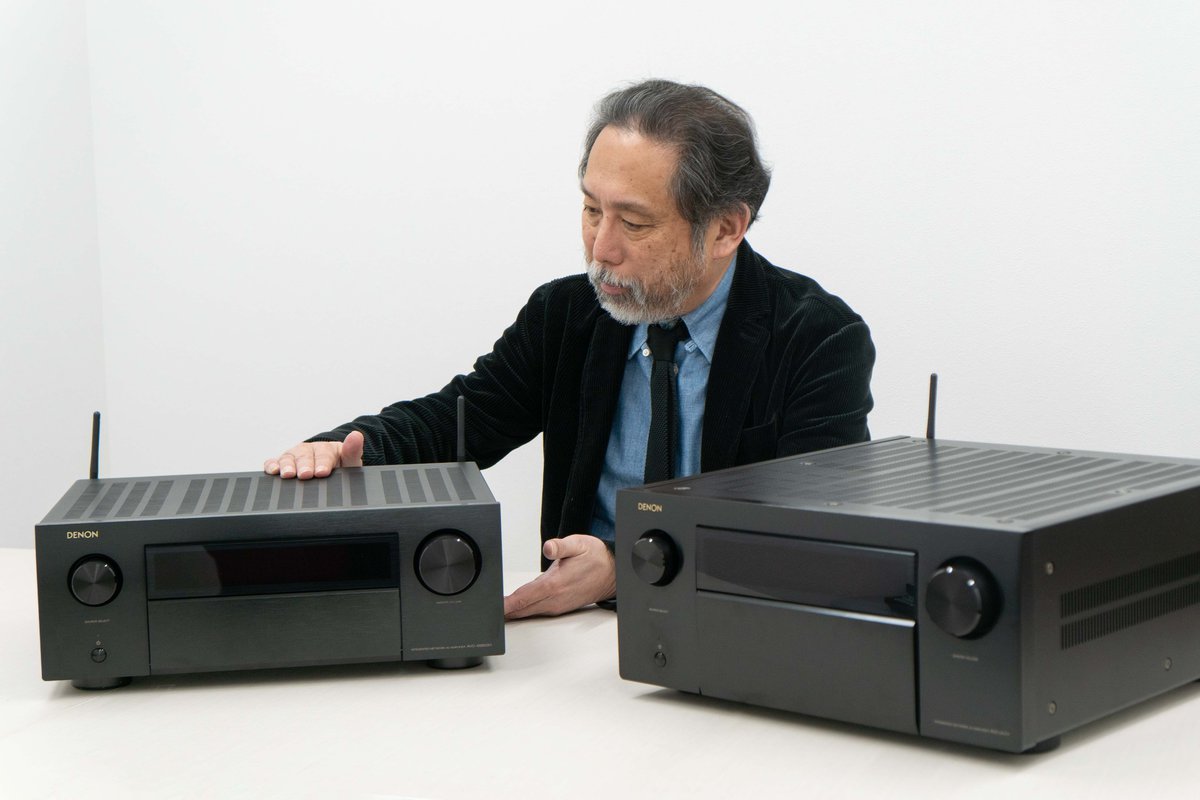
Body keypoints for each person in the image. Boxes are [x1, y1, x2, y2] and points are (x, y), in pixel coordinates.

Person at [265, 79, 875, 619]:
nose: (601, 248)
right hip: (576, 634)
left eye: (633, 223)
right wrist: (348, 449)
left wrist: (624, 568)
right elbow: (462, 420)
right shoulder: (567, 313)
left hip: (732, 626)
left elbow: (810, 541)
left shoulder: (818, 338)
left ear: (724, 229)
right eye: (590, 209)